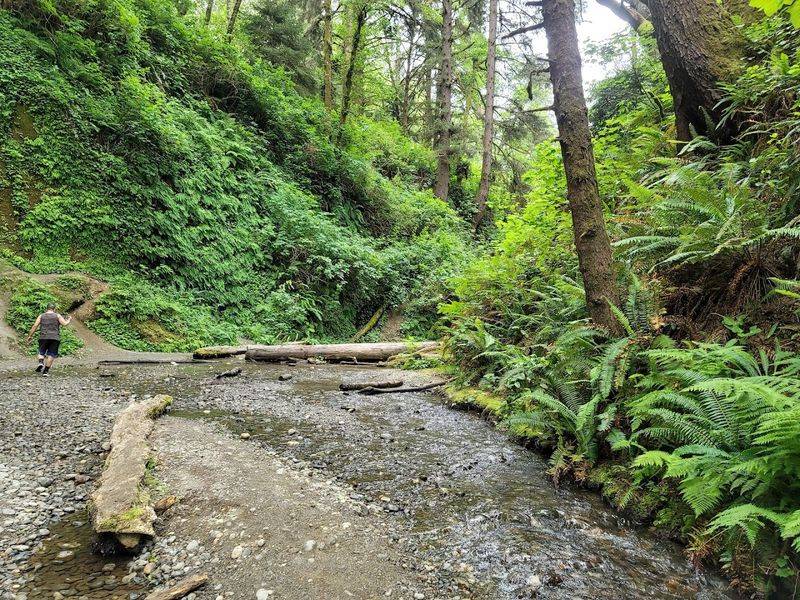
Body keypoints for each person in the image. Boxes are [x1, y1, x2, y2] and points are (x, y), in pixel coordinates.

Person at [25, 303, 71, 376]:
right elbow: (64, 324)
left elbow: (35, 325)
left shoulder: (41, 316)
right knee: (51, 354)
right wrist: (69, 319)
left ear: (46, 308)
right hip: (55, 338)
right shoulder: (57, 315)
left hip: (43, 337)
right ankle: (45, 372)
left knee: (41, 352)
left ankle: (41, 362)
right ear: (54, 309)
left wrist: (30, 336)